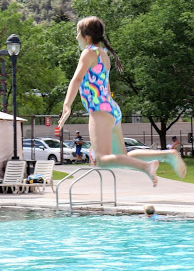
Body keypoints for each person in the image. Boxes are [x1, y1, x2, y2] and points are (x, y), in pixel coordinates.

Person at [58, 16, 186, 186]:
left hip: (100, 110)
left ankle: (146, 167)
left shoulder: (89, 52)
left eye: (77, 33)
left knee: (102, 160)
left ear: (87, 37)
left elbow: (76, 79)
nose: (76, 37)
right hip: (111, 109)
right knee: (121, 156)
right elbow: (106, 86)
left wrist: (67, 105)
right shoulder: (103, 54)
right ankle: (167, 155)